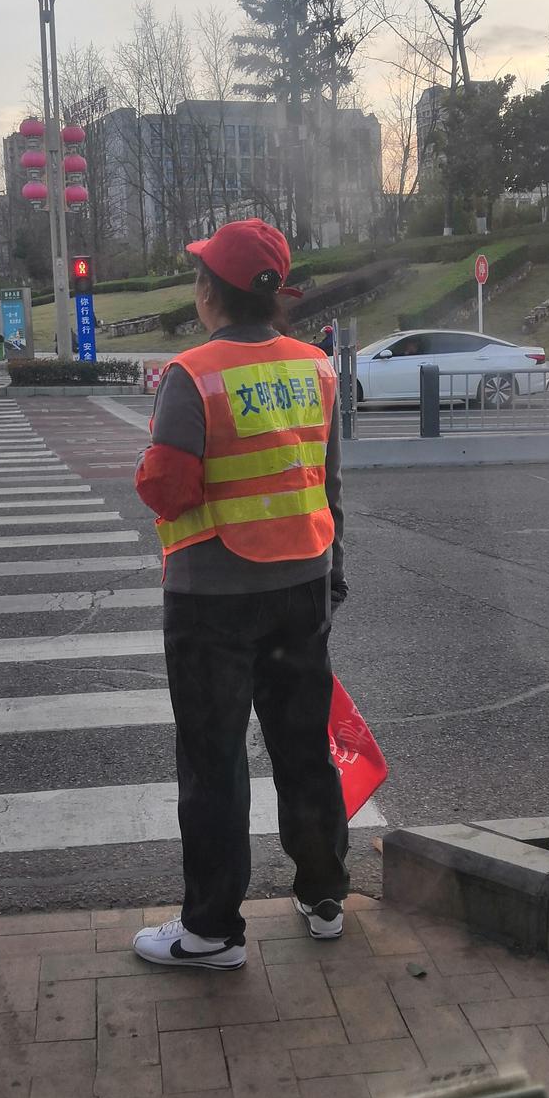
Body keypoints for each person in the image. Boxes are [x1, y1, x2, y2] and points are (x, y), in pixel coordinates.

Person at [131, 219, 348, 970]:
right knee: (303, 748)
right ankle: (324, 896)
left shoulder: (192, 375)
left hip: (213, 596)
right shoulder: (316, 367)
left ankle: (213, 930)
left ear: (208, 292)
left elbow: (168, 492)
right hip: (304, 584)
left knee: (214, 760)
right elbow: (326, 482)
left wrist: (149, 449)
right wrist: (335, 567)